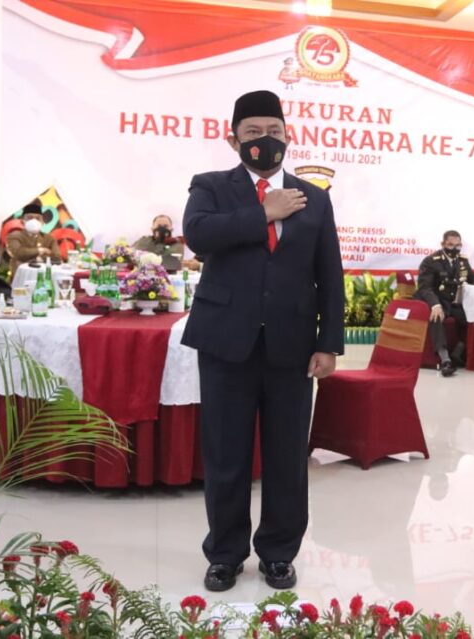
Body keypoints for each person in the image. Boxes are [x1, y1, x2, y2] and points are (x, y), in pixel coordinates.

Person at [181, 90, 344, 592]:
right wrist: (264, 212)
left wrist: (329, 343)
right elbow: (198, 235)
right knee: (226, 455)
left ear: (288, 136)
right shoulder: (211, 187)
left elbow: (329, 274)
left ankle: (278, 552)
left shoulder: (314, 197)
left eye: (273, 131)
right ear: (233, 140)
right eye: (252, 132)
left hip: (292, 348)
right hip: (225, 343)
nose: (264, 140)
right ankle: (225, 554)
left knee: (287, 458)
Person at [415, 231, 474, 376]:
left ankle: (458, 353)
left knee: (472, 318)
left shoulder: (462, 261)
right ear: (443, 244)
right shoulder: (431, 261)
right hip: (434, 300)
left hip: (451, 302)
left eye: (457, 245)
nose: (454, 249)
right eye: (450, 245)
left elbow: (472, 277)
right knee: (437, 316)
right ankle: (445, 360)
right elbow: (425, 288)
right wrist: (435, 305)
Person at [5, 203, 61, 281]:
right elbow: (18, 253)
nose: (34, 221)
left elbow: (57, 258)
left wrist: (36, 259)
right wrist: (41, 250)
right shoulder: (14, 236)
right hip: (21, 279)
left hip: (45, 279)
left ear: (42, 222)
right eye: (30, 218)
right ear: (22, 221)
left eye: (38, 218)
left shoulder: (49, 238)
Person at [133, 214, 199, 270]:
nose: (162, 229)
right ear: (152, 228)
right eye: (159, 226)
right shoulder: (144, 241)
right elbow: (135, 258)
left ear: (171, 229)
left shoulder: (177, 244)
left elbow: (170, 264)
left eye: (165, 226)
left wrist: (150, 258)